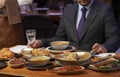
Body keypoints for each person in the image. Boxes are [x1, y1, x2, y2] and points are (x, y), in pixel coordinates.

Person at [28, 0, 120, 53]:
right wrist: (41, 42)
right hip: (69, 60)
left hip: (94, 61)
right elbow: (59, 38)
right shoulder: (68, 11)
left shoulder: (105, 10)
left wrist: (105, 47)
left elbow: (114, 37)